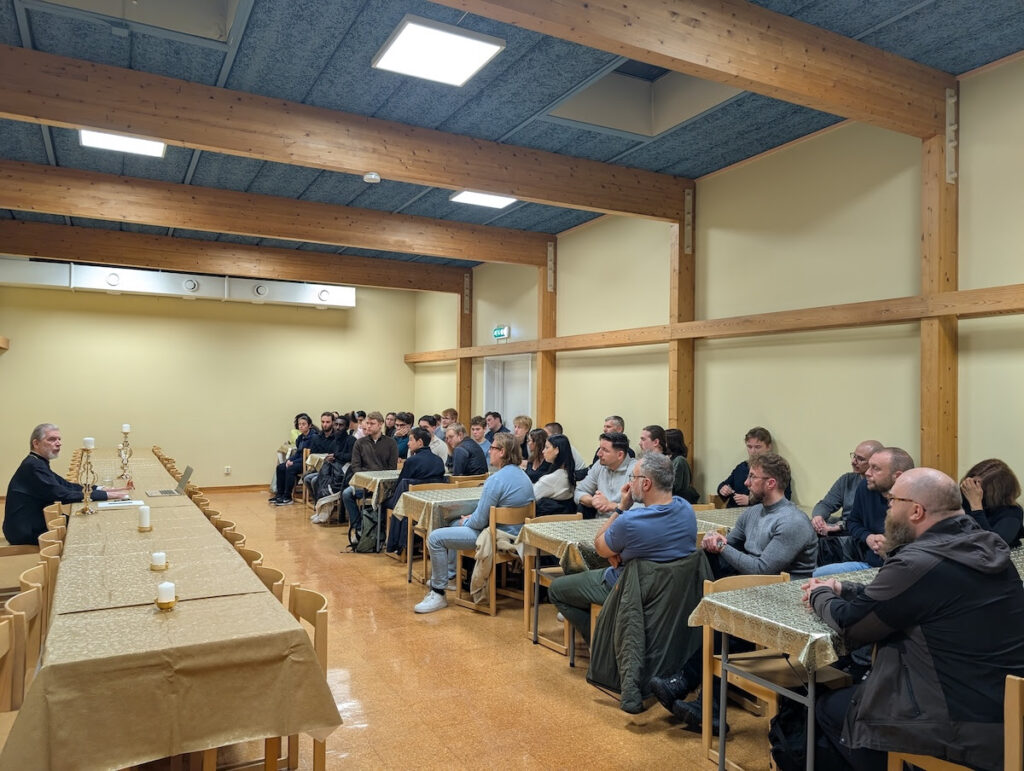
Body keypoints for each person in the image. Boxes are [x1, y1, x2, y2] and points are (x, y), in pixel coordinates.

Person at [803, 467, 1024, 771]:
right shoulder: (987, 549)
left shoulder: (918, 561)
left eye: (892, 501)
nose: (887, 509)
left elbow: (851, 626)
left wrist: (819, 594)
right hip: (1005, 713)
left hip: (956, 723)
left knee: (831, 709)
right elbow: (919, 599)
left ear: (916, 511)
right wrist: (845, 589)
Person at [548, 452, 696, 643]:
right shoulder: (686, 509)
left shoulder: (630, 521)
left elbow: (600, 546)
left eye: (633, 477)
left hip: (627, 588)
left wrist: (622, 506)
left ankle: (601, 640)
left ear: (646, 484)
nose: (630, 482)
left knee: (556, 589)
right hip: (670, 591)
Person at [414, 432, 533, 614]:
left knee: (435, 538)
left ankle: (438, 592)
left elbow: (478, 522)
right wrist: (468, 519)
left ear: (502, 452)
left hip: (494, 536)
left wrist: (467, 520)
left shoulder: (495, 479)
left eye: (492, 448)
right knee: (454, 524)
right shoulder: (524, 477)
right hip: (517, 534)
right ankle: (450, 576)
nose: (489, 451)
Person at [4, 423, 131, 545]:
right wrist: (106, 496)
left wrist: (102, 489)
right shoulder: (34, 466)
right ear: (36, 443)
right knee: (86, 527)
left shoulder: (36, 462)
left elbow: (66, 485)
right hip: (24, 529)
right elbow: (62, 495)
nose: (58, 443)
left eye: (59, 439)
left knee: (86, 522)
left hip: (31, 521)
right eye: (52, 439)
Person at [701, 452, 817, 578]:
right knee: (700, 558)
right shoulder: (752, 512)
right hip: (750, 581)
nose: (746, 483)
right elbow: (728, 544)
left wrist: (720, 546)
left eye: (752, 477)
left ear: (770, 483)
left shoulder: (793, 522)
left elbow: (762, 571)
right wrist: (712, 540)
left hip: (783, 586)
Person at [813, 447, 915, 575]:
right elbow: (853, 522)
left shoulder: (915, 500)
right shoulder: (865, 487)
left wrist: (891, 549)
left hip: (904, 569)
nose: (867, 473)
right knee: (817, 575)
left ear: (897, 476)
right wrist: (868, 537)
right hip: (869, 563)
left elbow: (923, 548)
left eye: (875, 468)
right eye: (869, 466)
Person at [383, 427, 447, 551]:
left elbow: (401, 484)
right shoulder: (438, 461)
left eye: (411, 440)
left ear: (420, 442)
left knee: (383, 503)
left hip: (410, 505)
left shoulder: (412, 461)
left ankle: (389, 542)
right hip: (430, 503)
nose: (408, 443)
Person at [341, 411, 399, 531]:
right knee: (346, 494)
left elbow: (392, 468)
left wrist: (378, 480)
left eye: (372, 423)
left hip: (383, 486)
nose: (368, 426)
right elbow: (356, 467)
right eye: (367, 423)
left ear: (380, 424)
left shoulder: (391, 443)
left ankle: (379, 529)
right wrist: (367, 481)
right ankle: (359, 528)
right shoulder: (359, 443)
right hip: (364, 484)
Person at [811, 440, 884, 535]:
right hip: (841, 527)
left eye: (860, 459)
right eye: (854, 456)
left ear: (874, 463)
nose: (853, 462)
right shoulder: (847, 479)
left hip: (857, 532)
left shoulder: (879, 485)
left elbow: (867, 521)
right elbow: (826, 504)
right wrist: (818, 517)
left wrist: (839, 527)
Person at [716, 426, 791, 507]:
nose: (753, 451)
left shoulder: (777, 469)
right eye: (749, 447)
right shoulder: (742, 467)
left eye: (757, 447)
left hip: (761, 512)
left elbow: (784, 499)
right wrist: (722, 489)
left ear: (768, 447)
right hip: (734, 511)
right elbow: (724, 485)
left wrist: (750, 501)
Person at [960, 458, 1023, 546]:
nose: (971, 487)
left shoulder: (1011, 513)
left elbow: (993, 545)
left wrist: (976, 506)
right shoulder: (965, 500)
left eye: (977, 484)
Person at [574, 432, 636, 517]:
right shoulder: (600, 465)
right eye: (600, 448)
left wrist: (612, 506)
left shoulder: (636, 470)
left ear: (620, 455)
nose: (599, 454)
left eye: (605, 450)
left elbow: (643, 508)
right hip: (599, 521)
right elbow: (579, 491)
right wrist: (593, 501)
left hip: (625, 521)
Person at [271, 412, 317, 505]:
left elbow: (308, 456)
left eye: (303, 424)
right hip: (299, 460)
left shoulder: (314, 437)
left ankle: (287, 497)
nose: (301, 426)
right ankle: (280, 494)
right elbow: (298, 453)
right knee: (280, 467)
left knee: (290, 469)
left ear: (309, 425)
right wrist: (290, 460)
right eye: (299, 424)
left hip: (307, 463)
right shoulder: (300, 437)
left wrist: (293, 462)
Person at [532, 434, 577, 514]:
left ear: (556, 450)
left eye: (547, 447)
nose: (543, 451)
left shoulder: (551, 479)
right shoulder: (568, 473)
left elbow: (530, 497)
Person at [664, 428, 699, 504]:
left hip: (678, 502)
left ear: (671, 442)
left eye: (664, 441)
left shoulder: (679, 460)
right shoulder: (667, 459)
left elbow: (675, 487)